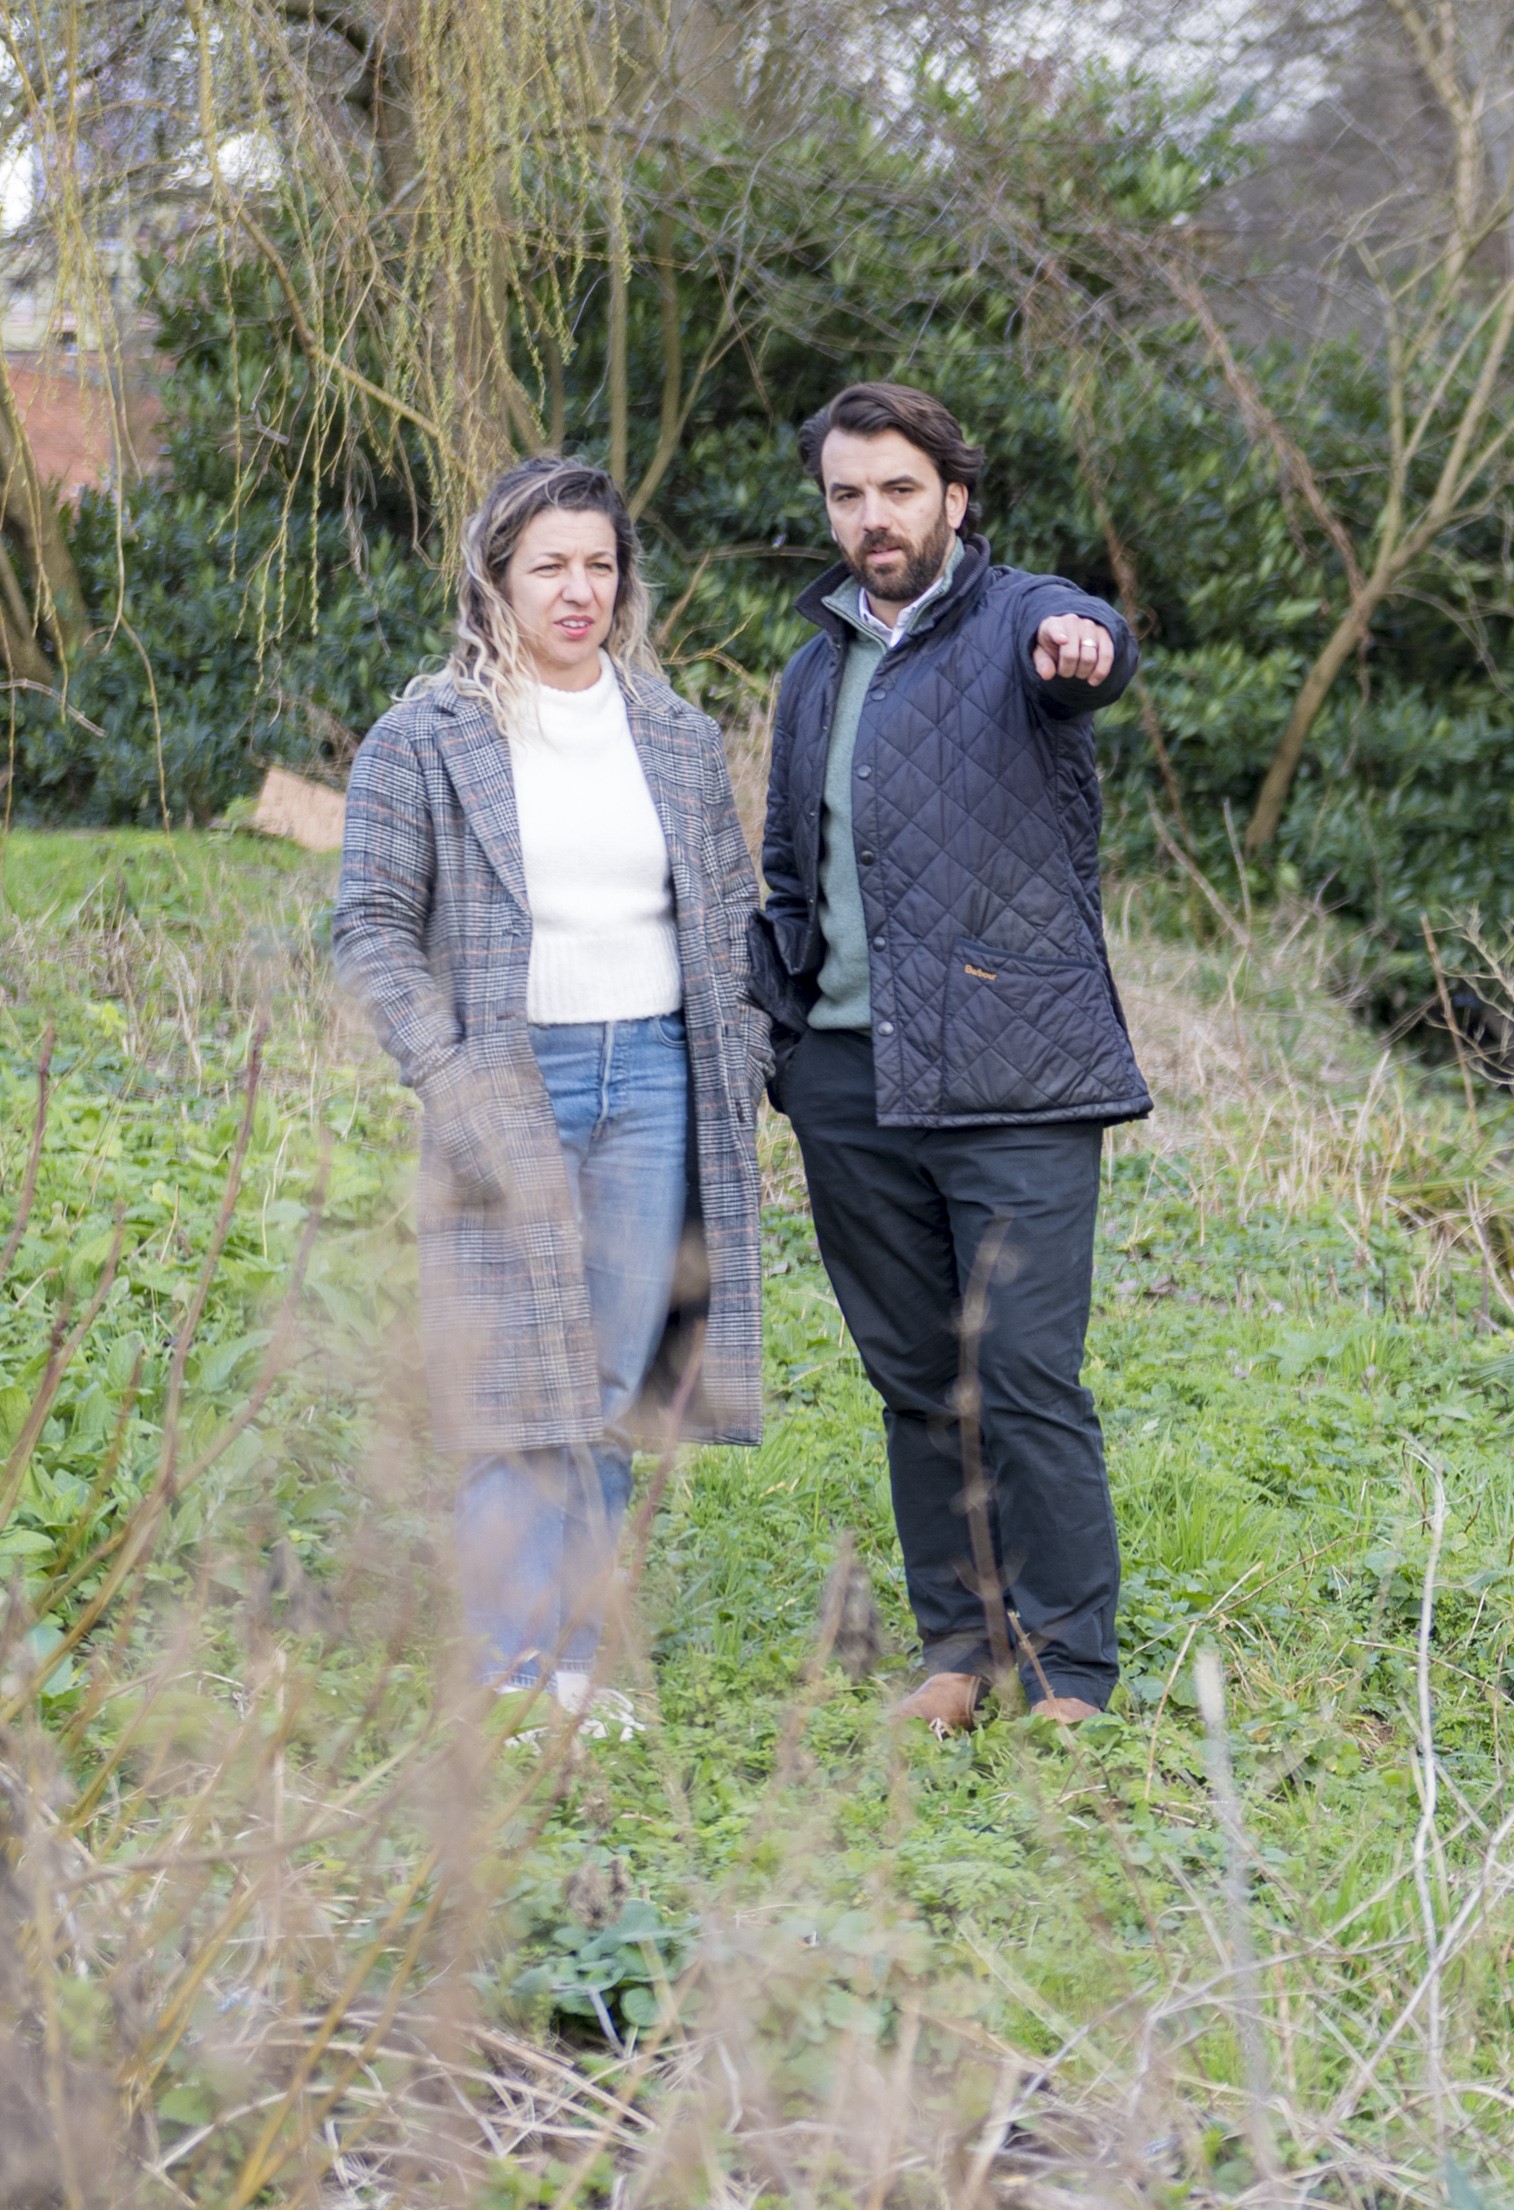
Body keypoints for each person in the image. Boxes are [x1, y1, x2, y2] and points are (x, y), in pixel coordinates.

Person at [334, 455, 769, 1717]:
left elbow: (729, 919)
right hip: (506, 1082)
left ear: (623, 580)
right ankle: (508, 1675)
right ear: (494, 579)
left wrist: (738, 1060)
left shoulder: (679, 738)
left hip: (653, 1083)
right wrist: (450, 1072)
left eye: (599, 564)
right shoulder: (422, 738)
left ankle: (576, 1666)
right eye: (548, 567)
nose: (577, 591)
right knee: (508, 1383)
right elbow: (366, 924)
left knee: (606, 1389)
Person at [743, 381, 1148, 1733]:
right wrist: (778, 1042)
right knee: (917, 1377)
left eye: (898, 490)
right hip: (851, 1085)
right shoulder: (812, 673)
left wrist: (1089, 643)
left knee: (1022, 1372)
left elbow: (1083, 634)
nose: (873, 518)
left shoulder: (1023, 621)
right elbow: (792, 882)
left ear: (954, 500)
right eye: (848, 495)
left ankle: (1070, 1670)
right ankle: (957, 1655)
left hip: (1016, 1081)